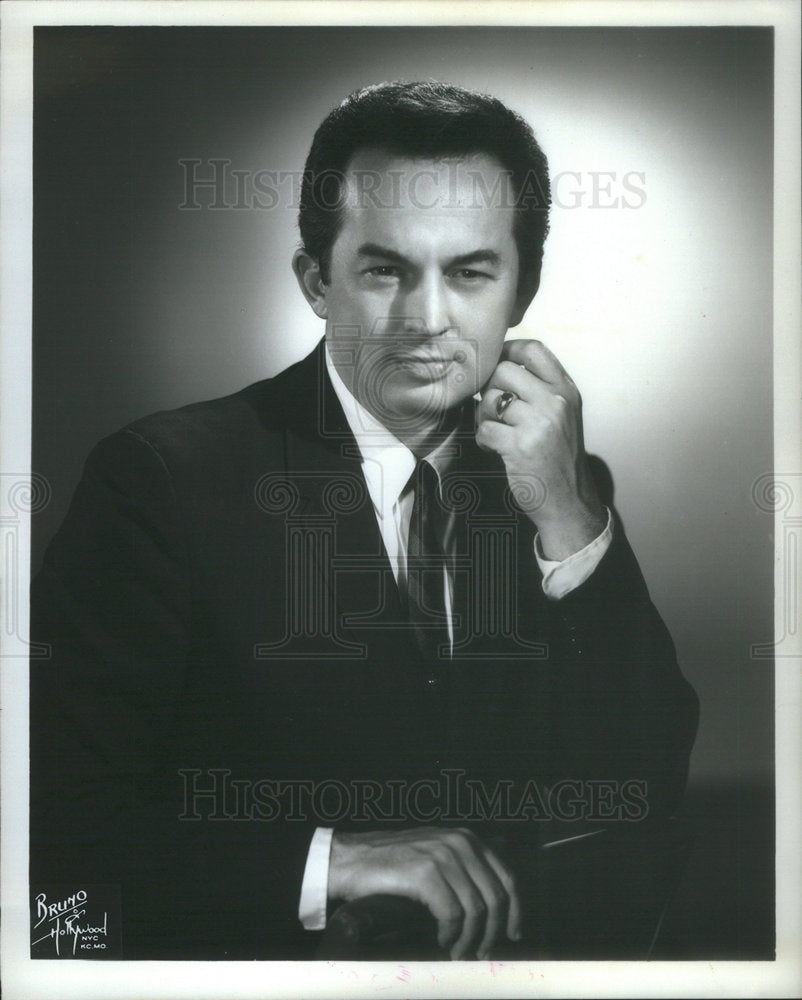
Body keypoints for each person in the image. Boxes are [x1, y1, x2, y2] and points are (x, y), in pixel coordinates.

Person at [30, 81, 698, 961]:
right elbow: (53, 831)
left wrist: (570, 516)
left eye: (469, 272)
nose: (426, 321)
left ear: (522, 290)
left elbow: (645, 774)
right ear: (316, 281)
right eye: (385, 270)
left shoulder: (554, 487)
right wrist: (328, 862)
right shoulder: (158, 482)